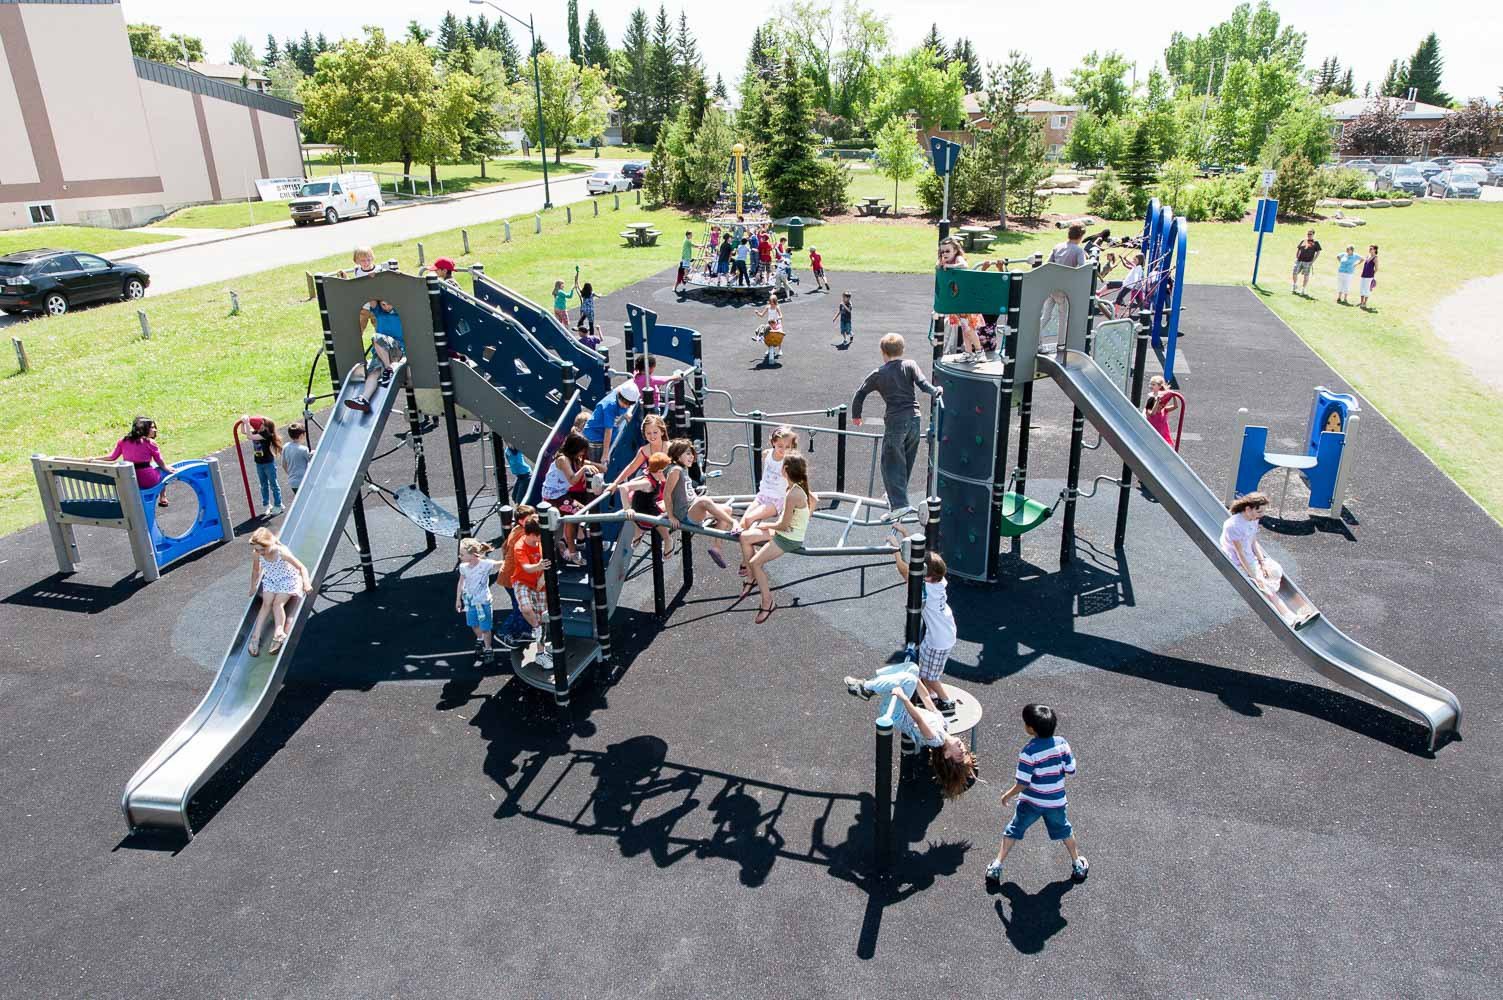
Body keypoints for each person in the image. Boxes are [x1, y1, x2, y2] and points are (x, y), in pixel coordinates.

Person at [841, 661, 977, 799]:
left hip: (896, 714)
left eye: (959, 755)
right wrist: (918, 680)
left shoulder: (935, 740)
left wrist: (904, 698)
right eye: (965, 751)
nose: (962, 749)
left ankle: (866, 687)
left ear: (947, 754)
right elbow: (927, 700)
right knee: (913, 668)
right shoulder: (944, 726)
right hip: (900, 708)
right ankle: (872, 684)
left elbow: (919, 720)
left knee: (909, 679)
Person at [986, 703, 1089, 884]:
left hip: (1031, 802)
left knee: (1013, 830)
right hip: (1055, 802)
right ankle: (1077, 864)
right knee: (1065, 830)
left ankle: (996, 866)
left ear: (1031, 729)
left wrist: (1007, 795)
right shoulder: (1062, 743)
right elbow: (1071, 770)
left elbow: (1023, 783)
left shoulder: (1028, 752)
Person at [851, 333, 942, 521]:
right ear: (902, 350)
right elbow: (923, 384)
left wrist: (856, 415)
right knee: (905, 459)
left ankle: (899, 504)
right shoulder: (910, 365)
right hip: (915, 418)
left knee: (890, 461)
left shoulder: (878, 373)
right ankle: (895, 495)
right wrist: (936, 391)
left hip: (896, 421)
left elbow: (860, 393)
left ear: (883, 352)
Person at [1221, 492, 1317, 628]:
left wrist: (1262, 562)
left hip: (1251, 556)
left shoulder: (1253, 519)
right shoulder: (1233, 525)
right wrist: (1254, 576)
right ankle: (1290, 618)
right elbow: (1240, 553)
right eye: (1259, 511)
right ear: (1248, 509)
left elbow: (1253, 542)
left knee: (1275, 571)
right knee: (1264, 587)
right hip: (1239, 561)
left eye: (1263, 511)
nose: (1261, 515)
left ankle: (1301, 611)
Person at [739, 450, 813, 623]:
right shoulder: (796, 486)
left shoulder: (793, 494)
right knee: (745, 537)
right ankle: (752, 577)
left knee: (755, 563)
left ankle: (768, 602)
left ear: (785, 470)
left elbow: (783, 525)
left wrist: (767, 525)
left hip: (788, 538)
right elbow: (813, 500)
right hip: (786, 531)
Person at [892, 525, 958, 711]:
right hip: (938, 633)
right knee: (924, 669)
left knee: (930, 676)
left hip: (940, 640)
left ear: (926, 576)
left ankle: (946, 702)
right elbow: (918, 557)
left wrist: (895, 550)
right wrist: (905, 534)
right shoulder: (939, 580)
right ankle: (932, 695)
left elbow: (905, 572)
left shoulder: (927, 590)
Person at [663, 439, 736, 569]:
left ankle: (717, 548)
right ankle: (734, 523)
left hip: (693, 510)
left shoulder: (683, 469)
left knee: (727, 510)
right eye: (687, 454)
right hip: (684, 514)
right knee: (704, 500)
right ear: (677, 455)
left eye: (692, 453)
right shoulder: (675, 470)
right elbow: (666, 494)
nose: (692, 457)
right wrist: (671, 517)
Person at [246, 526, 312, 657]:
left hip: (288, 580)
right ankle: (255, 636)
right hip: (271, 579)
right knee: (266, 604)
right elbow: (256, 570)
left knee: (277, 604)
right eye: (257, 549)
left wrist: (306, 583)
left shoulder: (281, 552)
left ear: (270, 543)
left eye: (262, 549)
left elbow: (301, 567)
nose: (260, 552)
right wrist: (253, 586)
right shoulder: (257, 553)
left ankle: (279, 632)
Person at [540, 432, 602, 565]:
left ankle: (571, 544)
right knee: (579, 512)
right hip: (553, 497)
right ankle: (572, 548)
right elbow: (573, 480)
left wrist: (592, 465)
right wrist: (584, 468)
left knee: (577, 515)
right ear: (574, 448)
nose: (583, 453)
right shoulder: (562, 459)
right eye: (582, 450)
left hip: (561, 494)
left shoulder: (574, 459)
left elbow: (603, 468)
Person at [93, 416, 171, 508]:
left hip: (129, 480)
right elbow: (159, 461)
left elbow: (112, 457)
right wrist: (166, 468)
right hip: (148, 480)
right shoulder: (150, 442)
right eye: (152, 427)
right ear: (143, 429)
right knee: (162, 471)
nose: (155, 430)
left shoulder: (123, 441)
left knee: (154, 468)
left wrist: (93, 459)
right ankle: (163, 497)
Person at [737, 426, 798, 538]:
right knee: (742, 524)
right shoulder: (767, 454)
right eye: (780, 446)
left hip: (776, 500)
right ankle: (747, 547)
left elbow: (794, 482)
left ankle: (755, 539)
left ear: (792, 447)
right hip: (762, 496)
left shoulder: (788, 462)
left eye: (787, 447)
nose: (783, 450)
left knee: (749, 519)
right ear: (773, 443)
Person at [346, 299, 404, 413]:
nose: (386, 307)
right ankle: (364, 398)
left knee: (376, 337)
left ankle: (388, 369)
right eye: (383, 305)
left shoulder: (400, 313)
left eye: (389, 304)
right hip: (382, 352)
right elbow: (372, 298)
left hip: (397, 348)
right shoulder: (379, 312)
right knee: (373, 373)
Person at [510, 518, 554, 669]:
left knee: (543, 619)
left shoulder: (541, 543)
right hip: (523, 582)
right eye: (540, 534)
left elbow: (549, 561)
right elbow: (527, 568)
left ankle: (541, 654)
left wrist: (542, 577)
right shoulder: (520, 546)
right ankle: (535, 627)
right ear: (533, 535)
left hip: (539, 584)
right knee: (526, 608)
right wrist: (539, 566)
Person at [937, 237, 985, 361]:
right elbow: (938, 268)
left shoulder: (958, 259)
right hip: (956, 300)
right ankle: (968, 353)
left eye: (948, 251)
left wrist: (949, 265)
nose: (945, 254)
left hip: (965, 300)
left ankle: (979, 351)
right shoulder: (944, 261)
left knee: (968, 328)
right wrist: (942, 264)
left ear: (955, 251)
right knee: (964, 329)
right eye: (942, 251)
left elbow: (964, 265)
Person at [616, 452, 674, 554]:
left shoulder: (652, 475)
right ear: (660, 471)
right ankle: (667, 539)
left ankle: (638, 534)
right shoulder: (647, 483)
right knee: (669, 510)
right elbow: (623, 487)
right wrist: (627, 509)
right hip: (647, 514)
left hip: (644, 508)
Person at [455, 537, 500, 665]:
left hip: (483, 601)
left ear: (473, 555)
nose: (459, 556)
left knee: (485, 627)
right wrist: (458, 599)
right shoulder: (463, 567)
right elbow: (461, 583)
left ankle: (488, 648)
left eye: (462, 554)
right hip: (470, 602)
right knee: (473, 624)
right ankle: (480, 638)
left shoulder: (485, 564)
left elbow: (500, 563)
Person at [1041, 224, 1088, 336]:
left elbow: (1047, 264)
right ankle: (1061, 343)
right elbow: (1083, 268)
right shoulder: (1078, 250)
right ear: (1080, 236)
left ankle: (1035, 337)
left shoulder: (1058, 246)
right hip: (1065, 288)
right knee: (1063, 318)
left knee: (1045, 316)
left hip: (1052, 286)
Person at [581, 380, 642, 462]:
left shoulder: (621, 394)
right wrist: (605, 454)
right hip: (595, 438)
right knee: (597, 465)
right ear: (619, 395)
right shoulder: (610, 406)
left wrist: (626, 413)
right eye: (624, 402)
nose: (626, 406)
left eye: (629, 404)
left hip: (606, 435)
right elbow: (608, 431)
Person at [608, 412, 670, 491]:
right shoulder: (644, 450)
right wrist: (615, 483)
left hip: (669, 481)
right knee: (625, 487)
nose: (652, 436)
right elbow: (632, 467)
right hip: (652, 483)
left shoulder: (670, 447)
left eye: (655, 432)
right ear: (644, 434)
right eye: (648, 433)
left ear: (662, 432)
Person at [242, 414, 284, 516]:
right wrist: (243, 422)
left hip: (268, 463)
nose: (260, 428)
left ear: (265, 426)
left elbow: (249, 436)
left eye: (261, 426)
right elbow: (244, 432)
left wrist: (247, 423)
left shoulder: (266, 434)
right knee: (263, 485)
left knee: (273, 484)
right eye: (258, 427)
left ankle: (278, 505)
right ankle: (267, 505)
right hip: (259, 463)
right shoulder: (257, 432)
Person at [1143, 375, 1179, 447]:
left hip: (1162, 434)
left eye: (1153, 384)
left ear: (1159, 386)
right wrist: (1157, 402)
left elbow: (1175, 406)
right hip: (1152, 433)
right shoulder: (1150, 399)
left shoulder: (1164, 410)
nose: (1151, 386)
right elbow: (1152, 413)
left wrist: (1174, 396)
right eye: (1150, 384)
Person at [281, 421, 313, 498]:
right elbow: (311, 461)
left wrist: (291, 474)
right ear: (302, 435)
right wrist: (313, 454)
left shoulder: (286, 446)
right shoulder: (304, 449)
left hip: (293, 483)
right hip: (304, 481)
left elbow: (284, 464)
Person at [754, 294, 785, 366]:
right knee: (768, 336)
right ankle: (762, 340)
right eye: (770, 302)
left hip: (776, 323)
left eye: (773, 302)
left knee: (779, 335)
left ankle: (780, 350)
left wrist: (777, 318)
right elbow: (762, 315)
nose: (771, 303)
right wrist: (757, 313)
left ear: (775, 301)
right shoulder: (767, 307)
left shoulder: (777, 307)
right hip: (770, 324)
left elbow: (781, 316)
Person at [1291, 229, 1322, 296]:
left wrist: (1313, 261)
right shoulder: (1303, 241)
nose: (1309, 235)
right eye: (1308, 234)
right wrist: (1296, 257)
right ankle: (1294, 285)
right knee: (1294, 272)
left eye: (1310, 234)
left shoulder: (1315, 242)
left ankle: (1303, 289)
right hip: (1299, 260)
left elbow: (1318, 252)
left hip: (1308, 261)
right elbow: (1298, 249)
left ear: (1313, 235)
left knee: (1306, 275)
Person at [575, 282, 599, 347]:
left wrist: (577, 283)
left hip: (585, 310)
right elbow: (598, 296)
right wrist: (599, 295)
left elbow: (579, 287)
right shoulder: (592, 293)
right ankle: (591, 336)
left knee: (582, 319)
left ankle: (580, 328)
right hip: (590, 311)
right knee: (591, 324)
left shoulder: (583, 293)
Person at [1359, 245, 1379, 310]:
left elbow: (1376, 268)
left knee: (1367, 289)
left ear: (1375, 250)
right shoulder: (1367, 256)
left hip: (1369, 276)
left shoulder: (1375, 258)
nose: (1369, 249)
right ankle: (1361, 302)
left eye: (1371, 249)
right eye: (1369, 248)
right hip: (1363, 275)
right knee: (1362, 288)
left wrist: (1372, 274)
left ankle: (1365, 303)